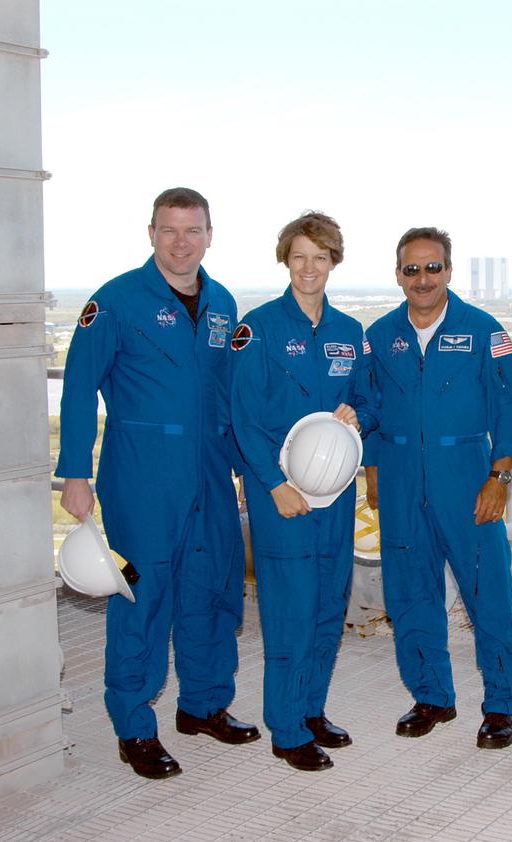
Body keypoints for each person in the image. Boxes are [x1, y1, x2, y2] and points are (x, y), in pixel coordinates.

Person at [56, 187, 258, 780]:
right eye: (169, 230)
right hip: (141, 475)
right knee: (142, 597)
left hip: (211, 472)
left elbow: (229, 393)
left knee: (213, 589)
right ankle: (133, 725)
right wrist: (74, 472)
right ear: (150, 234)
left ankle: (203, 704)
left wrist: (246, 468)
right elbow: (76, 388)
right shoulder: (115, 301)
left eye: (192, 230)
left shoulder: (222, 304)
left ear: (209, 235)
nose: (181, 242)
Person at [363, 227, 512, 749]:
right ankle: (432, 695)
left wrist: (500, 477)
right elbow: (367, 405)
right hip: (399, 478)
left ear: (449, 271)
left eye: (432, 267)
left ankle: (502, 704)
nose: (423, 279)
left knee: (490, 596)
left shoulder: (483, 331)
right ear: (398, 275)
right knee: (410, 594)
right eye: (411, 270)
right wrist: (372, 471)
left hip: (468, 477)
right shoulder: (380, 336)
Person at [230, 212, 376, 771]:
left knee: (325, 607)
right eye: (299, 256)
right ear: (285, 260)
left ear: (333, 262)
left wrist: (357, 410)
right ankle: (286, 728)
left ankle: (311, 708)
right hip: (282, 497)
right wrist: (270, 483)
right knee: (290, 611)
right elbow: (241, 416)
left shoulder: (348, 333)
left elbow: (369, 397)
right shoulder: (259, 327)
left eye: (320, 257)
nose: (309, 267)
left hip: (335, 496)